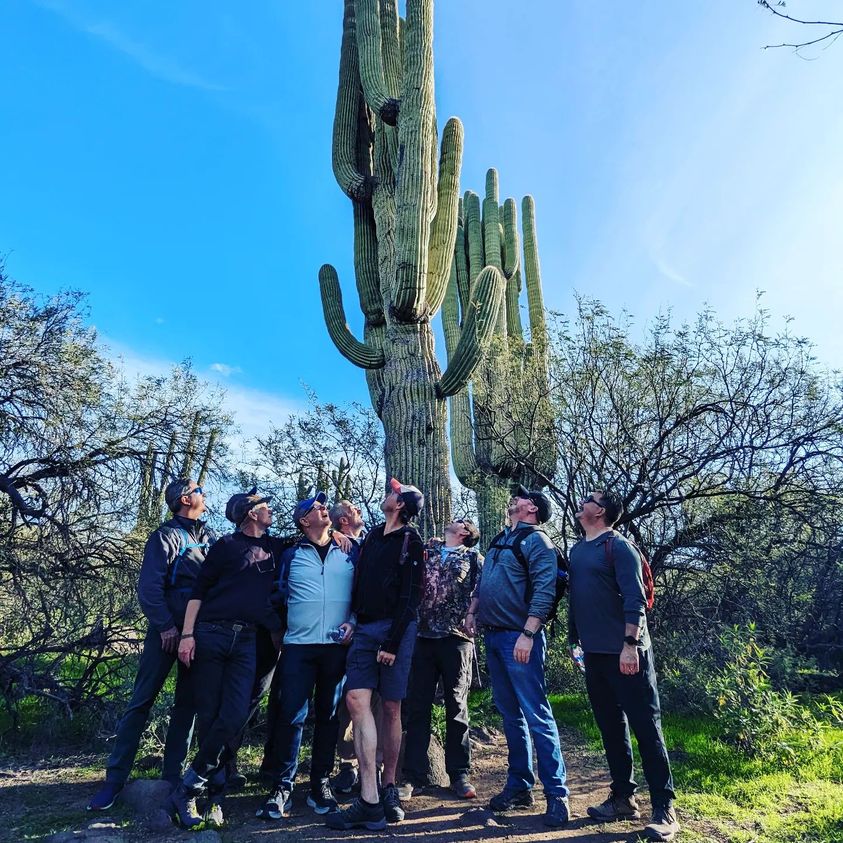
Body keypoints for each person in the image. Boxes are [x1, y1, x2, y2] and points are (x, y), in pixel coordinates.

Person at [87, 479, 214, 812]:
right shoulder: (164, 537)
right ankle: (114, 781)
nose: (204, 494)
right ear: (185, 499)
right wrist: (166, 627)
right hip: (165, 635)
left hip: (196, 636)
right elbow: (149, 588)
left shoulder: (208, 538)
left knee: (187, 707)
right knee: (140, 703)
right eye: (199, 490)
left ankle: (171, 779)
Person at [168, 490, 284, 830]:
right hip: (211, 635)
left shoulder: (276, 548)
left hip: (247, 638)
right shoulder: (225, 546)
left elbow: (313, 540)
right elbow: (198, 592)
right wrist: (187, 636)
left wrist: (337, 532)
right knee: (210, 715)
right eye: (264, 506)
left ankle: (189, 784)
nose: (270, 509)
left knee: (233, 716)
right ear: (249, 514)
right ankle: (213, 800)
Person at [570, 489, 679, 842]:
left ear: (599, 512)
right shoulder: (578, 549)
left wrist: (630, 645)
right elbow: (578, 599)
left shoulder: (618, 547)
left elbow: (635, 600)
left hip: (627, 653)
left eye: (589, 499)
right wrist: (575, 643)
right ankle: (622, 798)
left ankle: (664, 807)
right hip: (595, 655)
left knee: (646, 727)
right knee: (611, 728)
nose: (583, 502)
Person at [465, 485, 570, 828]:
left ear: (533, 509)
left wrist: (528, 633)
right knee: (511, 715)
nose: (515, 498)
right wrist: (473, 609)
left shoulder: (538, 541)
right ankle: (520, 785)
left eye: (522, 498)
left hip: (519, 638)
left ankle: (557, 795)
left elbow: (545, 588)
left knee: (536, 715)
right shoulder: (500, 539)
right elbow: (484, 580)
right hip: (493, 637)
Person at [326, 479, 424, 832]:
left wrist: (393, 643)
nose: (388, 493)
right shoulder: (371, 538)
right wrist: (352, 620)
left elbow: (411, 595)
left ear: (400, 504)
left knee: (391, 707)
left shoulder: (411, 541)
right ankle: (368, 799)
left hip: (395, 630)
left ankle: (389, 788)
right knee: (355, 699)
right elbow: (360, 585)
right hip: (364, 630)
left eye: (394, 492)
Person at [256, 492, 357, 820]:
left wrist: (353, 622)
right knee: (292, 716)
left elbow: (364, 595)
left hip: (335, 649)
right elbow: (274, 596)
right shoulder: (289, 554)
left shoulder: (351, 551)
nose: (324, 509)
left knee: (328, 719)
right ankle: (281, 787)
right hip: (298, 647)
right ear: (304, 520)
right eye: (317, 507)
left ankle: (319, 784)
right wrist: (277, 632)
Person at [403, 518, 482, 799]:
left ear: (465, 534)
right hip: (423, 637)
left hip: (457, 638)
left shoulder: (474, 558)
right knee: (417, 706)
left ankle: (459, 774)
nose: (452, 521)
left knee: (456, 706)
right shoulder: (430, 550)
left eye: (459, 521)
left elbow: (479, 591)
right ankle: (412, 775)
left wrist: (472, 614)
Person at [328, 500, 383, 796]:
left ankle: (375, 766)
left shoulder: (369, 542)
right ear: (344, 520)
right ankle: (347, 764)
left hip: (375, 628)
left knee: (376, 698)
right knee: (347, 701)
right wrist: (335, 536)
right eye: (356, 511)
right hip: (345, 630)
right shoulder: (336, 545)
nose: (361, 512)